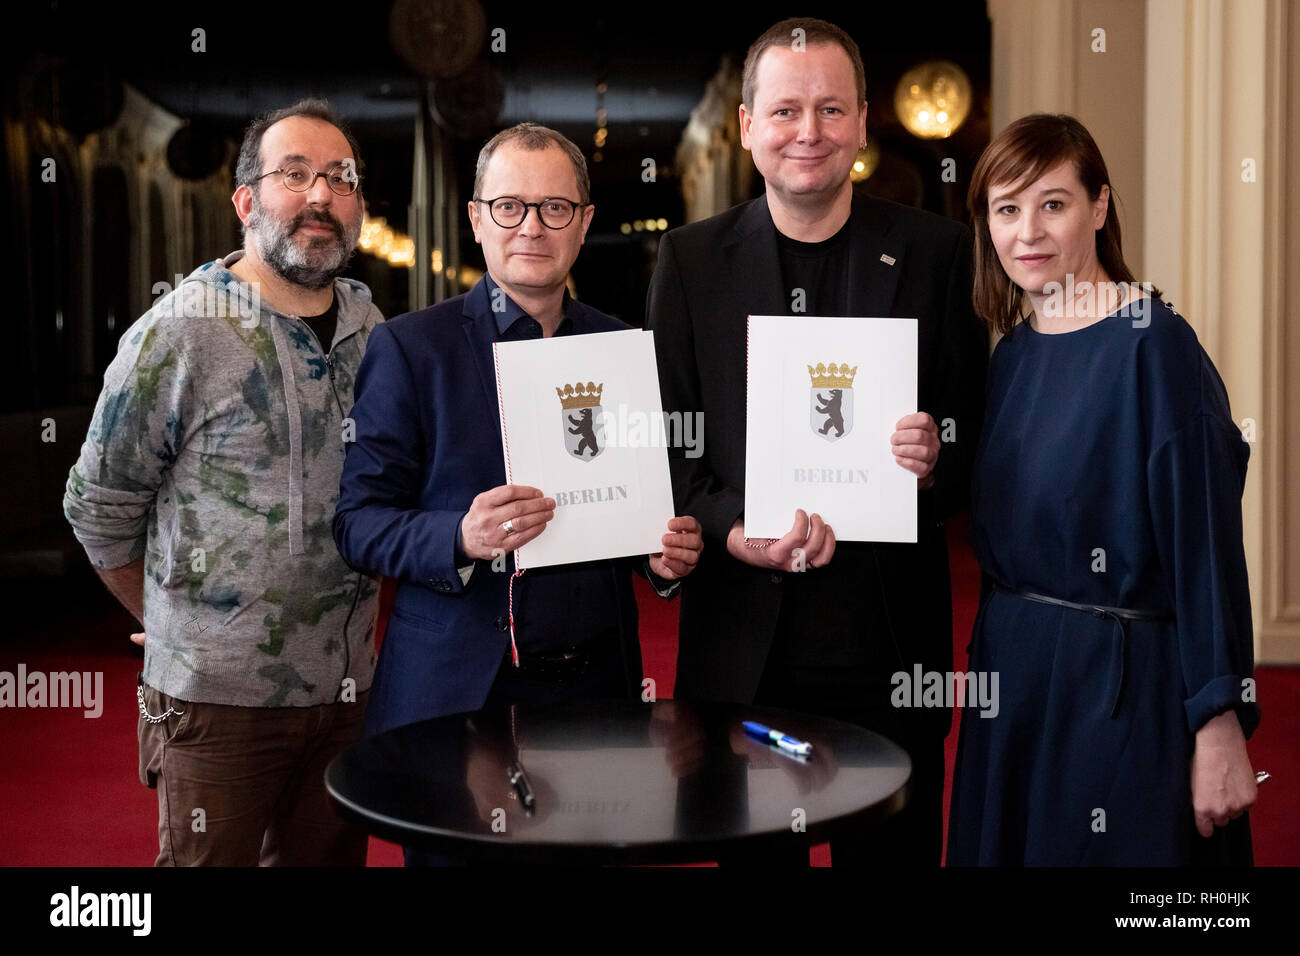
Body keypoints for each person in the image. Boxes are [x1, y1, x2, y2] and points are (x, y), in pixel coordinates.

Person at [646, 17, 988, 865]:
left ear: (864, 121)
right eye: (787, 110)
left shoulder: (937, 253)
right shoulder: (689, 263)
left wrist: (934, 459)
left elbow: (976, 437)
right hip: (744, 648)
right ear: (747, 128)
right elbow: (669, 446)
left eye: (832, 110)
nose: (809, 133)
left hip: (887, 648)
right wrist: (733, 530)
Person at [63, 99, 382, 866]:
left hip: (348, 696)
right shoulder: (180, 330)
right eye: (294, 174)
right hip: (216, 704)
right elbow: (98, 507)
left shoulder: (373, 328)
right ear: (245, 201)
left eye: (340, 178)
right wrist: (165, 617)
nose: (319, 196)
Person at [947, 113, 1259, 865]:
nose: (1029, 231)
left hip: (1117, 687)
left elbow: (1206, 549)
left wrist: (1219, 720)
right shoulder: (1014, 353)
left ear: (1100, 206)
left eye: (1053, 203)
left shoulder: (1155, 347)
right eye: (1006, 208)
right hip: (1014, 676)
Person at [334, 123, 702, 741]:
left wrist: (662, 558)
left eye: (555, 208)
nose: (532, 226)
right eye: (510, 207)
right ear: (477, 220)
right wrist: (459, 534)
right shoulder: (412, 348)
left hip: (598, 690)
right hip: (454, 690)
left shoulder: (623, 351)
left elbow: (638, 510)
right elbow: (357, 524)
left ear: (584, 223)